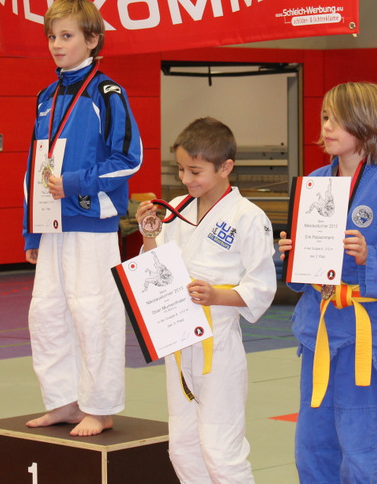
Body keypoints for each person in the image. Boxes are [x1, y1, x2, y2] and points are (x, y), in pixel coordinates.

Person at [278, 82, 377, 483]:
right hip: (317, 329)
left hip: (361, 334)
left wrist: (372, 257)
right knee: (312, 444)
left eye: (338, 119)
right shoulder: (315, 182)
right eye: (325, 117)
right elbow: (303, 273)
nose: (326, 127)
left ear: (367, 125)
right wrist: (292, 254)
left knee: (360, 446)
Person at [22, 0, 143, 437]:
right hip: (51, 224)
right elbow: (34, 166)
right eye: (52, 36)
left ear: (92, 40)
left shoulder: (107, 94)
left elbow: (128, 158)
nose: (57, 44)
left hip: (92, 223)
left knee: (94, 313)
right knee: (47, 313)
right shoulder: (46, 96)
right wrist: (31, 230)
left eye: (67, 36)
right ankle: (64, 401)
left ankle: (100, 406)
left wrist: (75, 182)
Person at [136, 117, 276, 483]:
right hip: (179, 338)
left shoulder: (248, 217)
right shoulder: (177, 208)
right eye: (180, 169)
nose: (185, 179)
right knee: (182, 447)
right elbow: (156, 270)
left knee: (221, 451)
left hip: (219, 342)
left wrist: (217, 295)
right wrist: (149, 234)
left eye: (195, 171)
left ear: (225, 167)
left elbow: (262, 286)